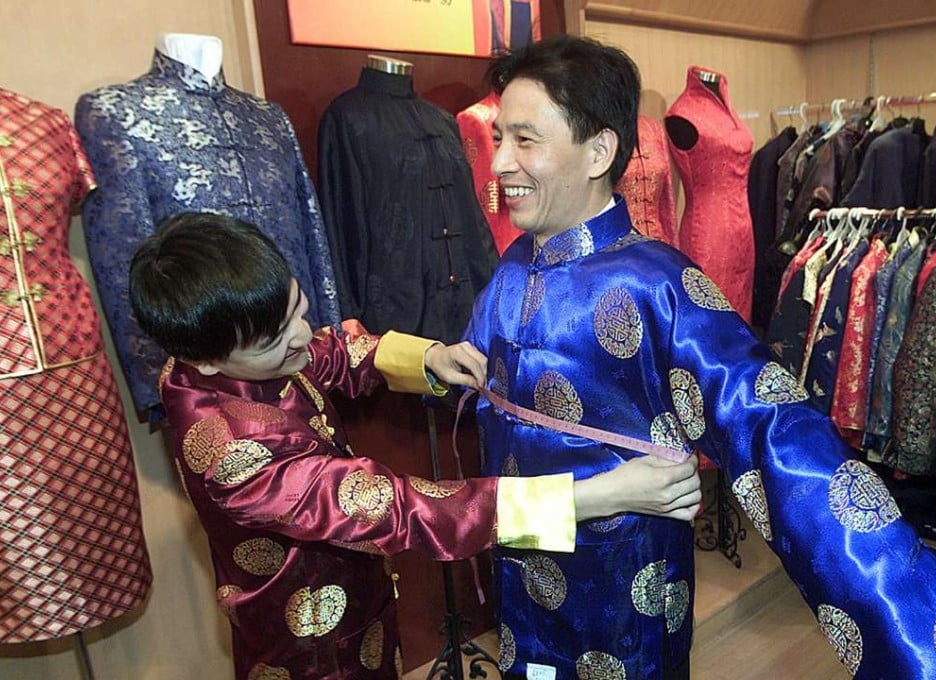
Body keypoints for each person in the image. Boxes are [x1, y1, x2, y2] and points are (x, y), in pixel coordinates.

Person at [465, 35, 936, 680]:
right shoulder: (512, 265)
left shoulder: (658, 283)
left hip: (619, 589)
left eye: (524, 140)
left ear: (599, 151)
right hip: (519, 550)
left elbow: (777, 436)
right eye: (499, 137)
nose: (500, 160)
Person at [127, 211, 702, 680]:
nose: (302, 335)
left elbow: (330, 352)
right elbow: (405, 510)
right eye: (276, 339)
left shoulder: (237, 354)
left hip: (365, 606)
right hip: (309, 648)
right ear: (206, 359)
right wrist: (599, 496)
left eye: (297, 310)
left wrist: (428, 356)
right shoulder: (232, 450)